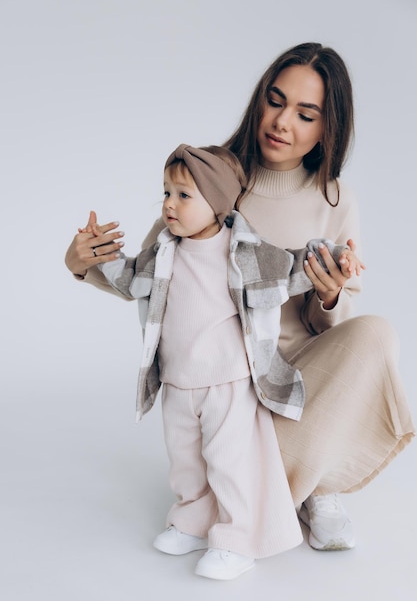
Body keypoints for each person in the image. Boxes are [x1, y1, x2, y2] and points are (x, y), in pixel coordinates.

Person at [65, 42, 415, 554]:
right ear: (260, 100)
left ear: (326, 128)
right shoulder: (215, 175)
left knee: (376, 335)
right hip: (228, 390)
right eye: (275, 100)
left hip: (294, 384)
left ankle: (314, 485)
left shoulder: (335, 198)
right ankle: (271, 492)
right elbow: (153, 270)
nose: (282, 121)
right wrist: (80, 265)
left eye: (305, 113)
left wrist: (331, 294)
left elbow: (337, 335)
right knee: (229, 421)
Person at [73, 143, 363, 580]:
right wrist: (99, 254)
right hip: (178, 379)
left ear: (218, 203)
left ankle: (238, 538)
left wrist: (337, 256)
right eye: (166, 192)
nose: (170, 204)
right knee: (186, 460)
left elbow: (295, 266)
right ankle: (192, 520)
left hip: (229, 381)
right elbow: (130, 279)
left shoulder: (245, 249)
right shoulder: (165, 251)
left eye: (184, 195)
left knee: (229, 462)